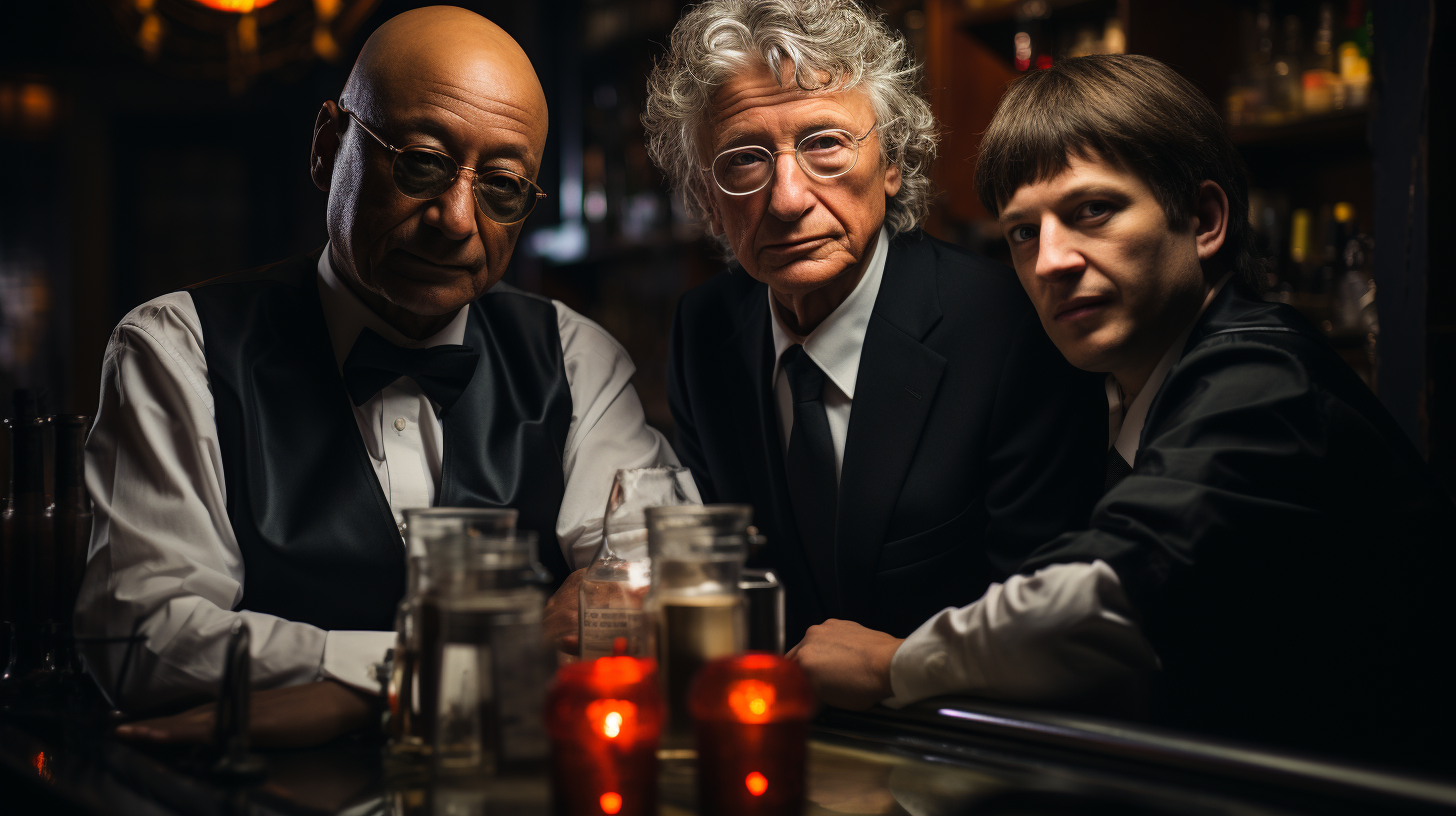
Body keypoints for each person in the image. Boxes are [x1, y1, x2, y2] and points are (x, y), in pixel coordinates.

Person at [789, 54, 1456, 769]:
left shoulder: (1264, 379)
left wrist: (892, 664)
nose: (1049, 261)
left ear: (1203, 219)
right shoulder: (1137, 388)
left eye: (1092, 212)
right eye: (1022, 232)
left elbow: (1096, 598)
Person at [76, 7, 684, 742]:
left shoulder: (579, 359)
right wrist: (459, 663)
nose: (457, 219)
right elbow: (144, 641)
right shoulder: (174, 349)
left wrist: (340, 698)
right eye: (422, 162)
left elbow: (656, 593)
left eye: (501, 187)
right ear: (329, 146)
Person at [648, 0, 1105, 648]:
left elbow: (1049, 628)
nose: (787, 198)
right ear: (707, 201)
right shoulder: (704, 330)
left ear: (892, 163)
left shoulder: (1010, 329)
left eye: (825, 143)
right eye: (744, 160)